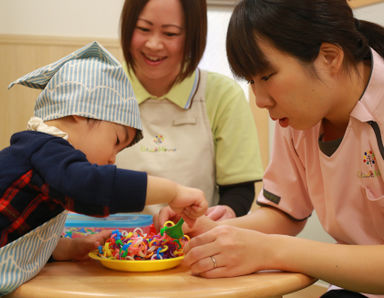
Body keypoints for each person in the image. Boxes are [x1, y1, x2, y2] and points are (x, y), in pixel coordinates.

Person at [158, 0, 384, 297]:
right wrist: (211, 232)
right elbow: (284, 214)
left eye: (266, 76)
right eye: (251, 81)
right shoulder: (302, 116)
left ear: (329, 57)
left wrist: (272, 250)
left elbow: (278, 242)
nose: (260, 99)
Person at [0, 41, 207, 295]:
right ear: (80, 111)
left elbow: (25, 229)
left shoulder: (43, 156)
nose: (112, 159)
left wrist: (67, 248)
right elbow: (92, 186)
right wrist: (172, 192)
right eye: (117, 141)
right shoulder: (45, 149)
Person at [116, 0, 264, 221]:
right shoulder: (102, 90)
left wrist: (218, 217)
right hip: (106, 244)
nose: (154, 44)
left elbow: (238, 191)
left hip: (193, 243)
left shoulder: (223, 95)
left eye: (170, 33)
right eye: (144, 29)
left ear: (193, 36)